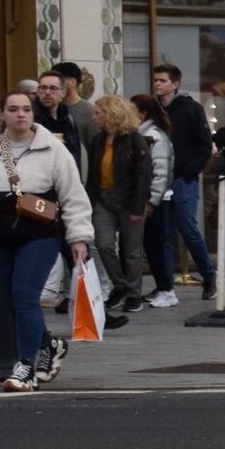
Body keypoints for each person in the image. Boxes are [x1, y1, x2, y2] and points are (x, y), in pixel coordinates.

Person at [0, 89, 95, 390]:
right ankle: (49, 346)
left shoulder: (52, 148)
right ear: (3, 115)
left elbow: (73, 195)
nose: (21, 114)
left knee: (25, 295)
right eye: (13, 109)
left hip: (39, 234)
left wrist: (79, 236)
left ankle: (25, 366)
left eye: (26, 110)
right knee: (11, 303)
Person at [81, 94, 150, 324]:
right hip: (103, 199)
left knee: (131, 250)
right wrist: (89, 202)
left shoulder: (134, 140)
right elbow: (92, 174)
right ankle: (119, 285)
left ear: (111, 115)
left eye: (98, 113)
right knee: (103, 244)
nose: (94, 117)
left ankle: (134, 293)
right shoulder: (98, 141)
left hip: (129, 200)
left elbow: (143, 176)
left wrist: (139, 206)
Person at [152, 64, 215, 299]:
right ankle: (165, 284)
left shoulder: (190, 109)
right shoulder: (154, 110)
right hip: (159, 179)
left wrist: (188, 172)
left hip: (182, 178)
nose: (158, 84)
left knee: (188, 228)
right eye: (156, 80)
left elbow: (204, 145)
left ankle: (208, 274)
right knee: (162, 232)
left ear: (175, 84)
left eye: (162, 81)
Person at [131, 92, 177, 306]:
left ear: (143, 112)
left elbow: (161, 172)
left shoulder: (155, 137)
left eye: (133, 110)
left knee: (157, 244)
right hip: (148, 198)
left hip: (157, 200)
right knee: (151, 245)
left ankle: (167, 289)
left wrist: (152, 201)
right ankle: (161, 286)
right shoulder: (142, 134)